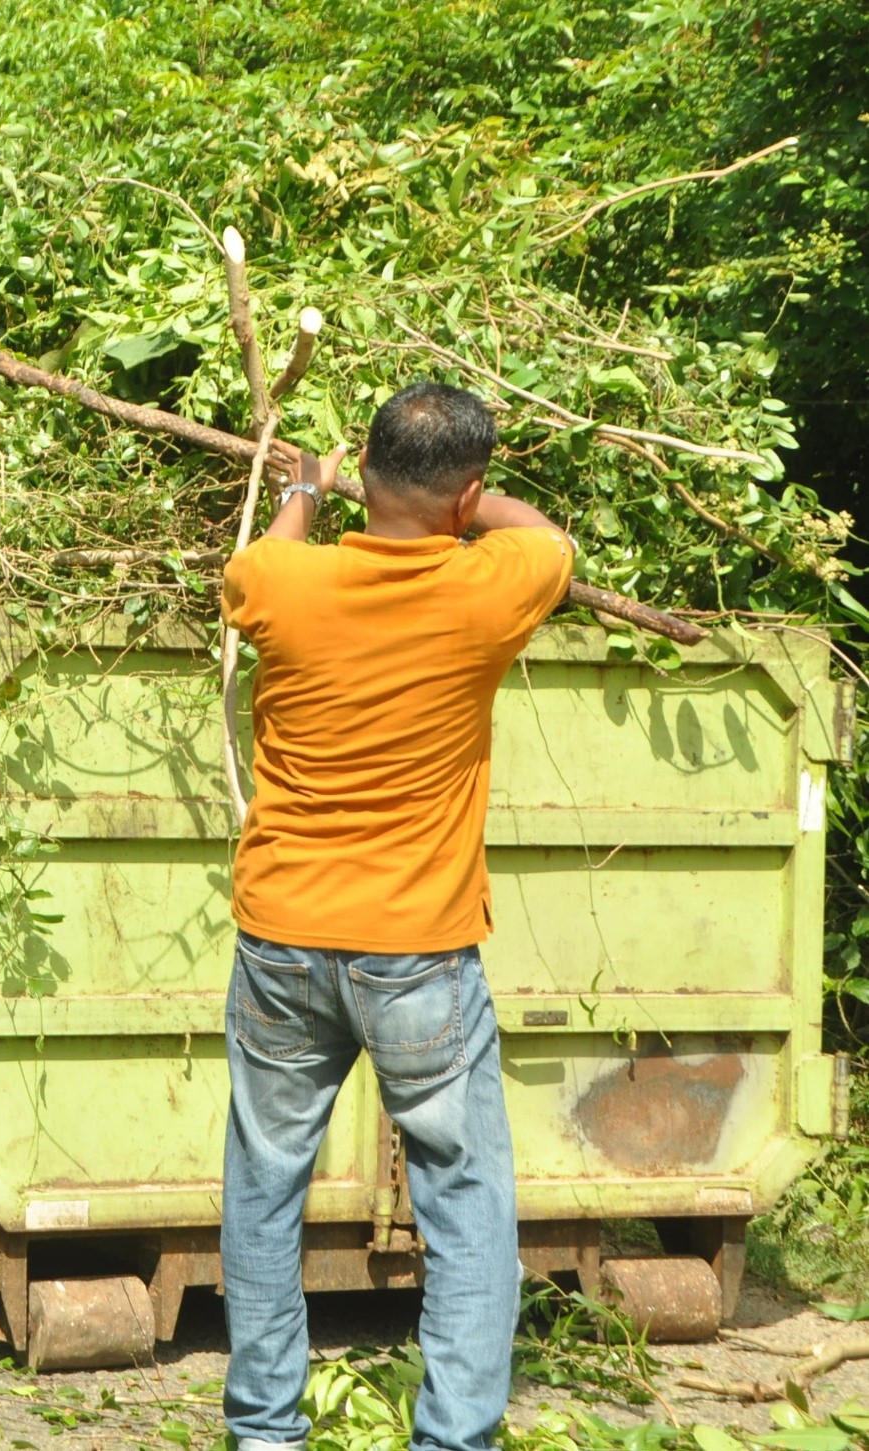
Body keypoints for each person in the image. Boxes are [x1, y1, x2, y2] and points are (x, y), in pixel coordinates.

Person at [217, 383, 575, 1451]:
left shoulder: (281, 580)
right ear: (462, 492)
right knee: (463, 1203)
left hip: (280, 936)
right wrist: (468, 504)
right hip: (418, 953)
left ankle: (265, 1433)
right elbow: (547, 537)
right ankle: (453, 1439)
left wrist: (302, 489)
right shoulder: (486, 590)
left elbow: (263, 560)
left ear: (361, 470)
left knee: (264, 1185)